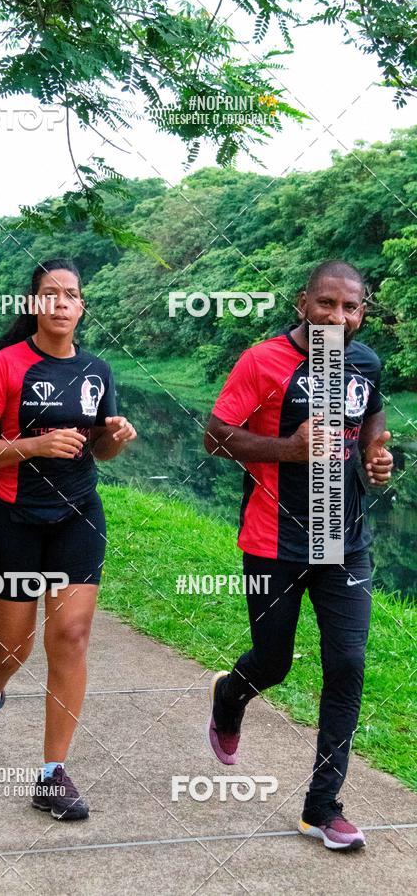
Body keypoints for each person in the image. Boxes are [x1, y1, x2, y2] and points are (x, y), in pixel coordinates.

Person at [203, 260, 393, 851]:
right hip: (274, 542)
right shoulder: (263, 362)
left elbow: (373, 433)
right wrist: (288, 449)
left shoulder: (364, 363)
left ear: (362, 312)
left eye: (351, 307)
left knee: (348, 667)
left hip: (345, 542)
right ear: (301, 302)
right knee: (273, 661)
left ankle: (322, 806)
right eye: (327, 304)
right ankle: (229, 697)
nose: (338, 317)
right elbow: (215, 437)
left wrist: (381, 461)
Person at [0, 258, 136, 821]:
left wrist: (115, 438)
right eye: (50, 294)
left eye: (72, 295)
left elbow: (97, 449)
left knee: (72, 636)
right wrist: (32, 447)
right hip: (13, 518)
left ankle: (51, 775)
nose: (61, 303)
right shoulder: (7, 366)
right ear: (34, 304)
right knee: (12, 648)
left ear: (82, 307)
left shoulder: (97, 370)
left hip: (78, 515)